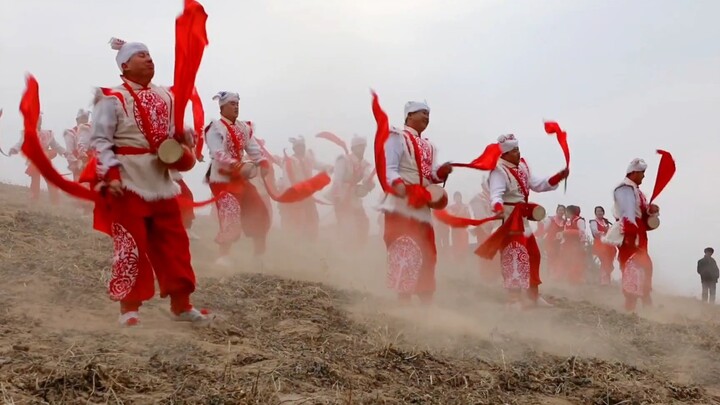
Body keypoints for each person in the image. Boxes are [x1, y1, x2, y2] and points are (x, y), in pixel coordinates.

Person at [91, 37, 212, 326]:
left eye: (149, 54)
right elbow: (100, 141)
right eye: (141, 55)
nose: (149, 59)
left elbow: (175, 130)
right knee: (130, 245)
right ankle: (129, 310)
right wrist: (111, 174)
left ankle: (181, 304)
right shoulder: (111, 98)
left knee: (175, 242)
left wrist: (183, 137)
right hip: (128, 180)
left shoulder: (166, 96)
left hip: (161, 180)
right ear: (124, 65)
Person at [379, 101, 452, 304]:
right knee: (405, 247)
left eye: (429, 114)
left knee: (426, 249)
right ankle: (403, 301)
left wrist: (441, 173)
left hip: (422, 204)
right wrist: (399, 185)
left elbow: (430, 175)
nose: (427, 118)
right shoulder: (397, 137)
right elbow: (390, 168)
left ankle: (426, 298)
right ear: (409, 115)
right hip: (402, 201)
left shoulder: (429, 145)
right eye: (423, 113)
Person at [485, 134, 569, 308]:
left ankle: (533, 295)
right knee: (514, 256)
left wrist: (557, 177)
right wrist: (498, 206)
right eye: (513, 150)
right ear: (505, 154)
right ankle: (513, 299)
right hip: (509, 220)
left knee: (533, 255)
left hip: (522, 219)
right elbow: (496, 194)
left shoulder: (522, 166)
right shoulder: (498, 171)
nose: (518, 152)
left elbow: (538, 184)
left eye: (517, 148)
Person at [205, 91, 270, 266]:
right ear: (222, 107)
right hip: (221, 178)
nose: (236, 106)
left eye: (237, 103)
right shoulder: (215, 128)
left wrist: (262, 162)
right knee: (230, 213)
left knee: (258, 210)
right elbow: (218, 153)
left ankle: (258, 256)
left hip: (240, 178)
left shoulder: (244, 128)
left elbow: (254, 149)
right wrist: (239, 166)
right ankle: (223, 256)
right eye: (232, 104)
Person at [613, 158, 659, 312]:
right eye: (642, 173)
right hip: (630, 232)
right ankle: (631, 305)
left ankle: (644, 300)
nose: (644, 176)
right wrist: (630, 234)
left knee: (644, 266)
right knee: (631, 266)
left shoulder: (636, 191)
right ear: (633, 173)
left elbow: (641, 212)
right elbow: (626, 213)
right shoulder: (624, 189)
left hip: (639, 232)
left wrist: (651, 210)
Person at [279, 136, 331, 241]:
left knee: (312, 217)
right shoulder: (289, 162)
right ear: (294, 149)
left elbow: (317, 164)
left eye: (302, 146)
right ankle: (295, 240)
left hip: (307, 194)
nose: (301, 149)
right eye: (298, 147)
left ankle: (311, 240)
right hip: (296, 194)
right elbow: (286, 180)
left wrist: (328, 167)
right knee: (297, 219)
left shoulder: (308, 159)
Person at [328, 135, 375, 247]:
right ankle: (341, 248)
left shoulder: (364, 164)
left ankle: (359, 248)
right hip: (341, 195)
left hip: (354, 196)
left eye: (363, 147)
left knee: (363, 222)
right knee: (345, 223)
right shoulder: (343, 160)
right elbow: (337, 179)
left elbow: (367, 178)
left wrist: (368, 185)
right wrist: (337, 197)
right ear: (353, 148)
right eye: (359, 147)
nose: (362, 149)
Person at [9, 114, 65, 204]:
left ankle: (55, 201)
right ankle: (34, 199)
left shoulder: (47, 134)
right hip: (35, 161)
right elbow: (20, 143)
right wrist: (14, 149)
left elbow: (56, 145)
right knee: (35, 179)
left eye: (40, 120)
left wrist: (64, 152)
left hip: (45, 160)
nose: (38, 122)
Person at [589, 206, 617, 285]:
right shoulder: (593, 222)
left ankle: (607, 281)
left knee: (608, 262)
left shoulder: (606, 222)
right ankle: (603, 281)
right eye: (598, 211)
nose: (599, 213)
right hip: (600, 244)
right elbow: (595, 232)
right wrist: (605, 233)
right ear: (595, 213)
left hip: (608, 245)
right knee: (604, 261)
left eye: (601, 211)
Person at [63, 109, 93, 182]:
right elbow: (69, 152)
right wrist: (77, 164)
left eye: (86, 118)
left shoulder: (90, 131)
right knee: (80, 187)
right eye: (82, 118)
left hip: (91, 164)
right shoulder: (71, 133)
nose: (84, 120)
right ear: (77, 120)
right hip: (78, 165)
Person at [560, 205, 586, 285]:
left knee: (576, 262)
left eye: (567, 211)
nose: (565, 213)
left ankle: (575, 280)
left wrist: (582, 245)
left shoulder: (579, 220)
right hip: (567, 244)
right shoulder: (567, 221)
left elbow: (582, 233)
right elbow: (564, 232)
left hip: (576, 244)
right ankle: (568, 279)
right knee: (567, 261)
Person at [542, 205, 566, 279]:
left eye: (562, 210)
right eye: (559, 210)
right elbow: (545, 229)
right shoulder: (551, 219)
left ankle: (557, 275)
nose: (561, 211)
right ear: (557, 211)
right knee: (551, 257)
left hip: (560, 242)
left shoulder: (565, 221)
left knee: (559, 258)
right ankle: (550, 274)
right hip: (550, 241)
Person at [447, 191, 471, 262]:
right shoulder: (451, 207)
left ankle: (464, 258)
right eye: (456, 197)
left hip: (463, 229)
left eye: (459, 197)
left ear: (461, 197)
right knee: (456, 245)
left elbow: (468, 217)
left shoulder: (465, 207)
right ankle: (457, 260)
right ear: (454, 199)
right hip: (455, 229)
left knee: (464, 244)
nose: (458, 198)